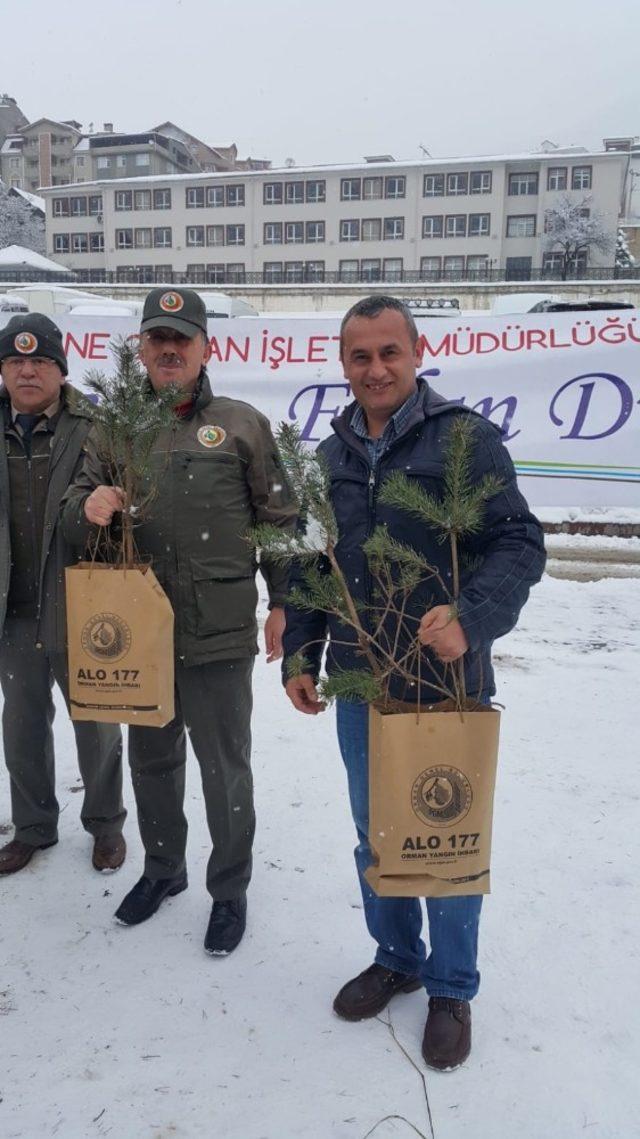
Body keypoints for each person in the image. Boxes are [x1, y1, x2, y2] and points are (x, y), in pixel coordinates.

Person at [283, 295, 546, 1070]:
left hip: (445, 682)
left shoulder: (463, 439)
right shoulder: (327, 459)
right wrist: (303, 652)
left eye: (388, 352)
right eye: (359, 356)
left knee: (446, 837)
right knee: (377, 831)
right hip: (361, 683)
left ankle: (451, 987)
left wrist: (472, 615)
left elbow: (520, 543)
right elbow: (306, 564)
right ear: (343, 363)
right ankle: (395, 956)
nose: (375, 369)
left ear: (416, 351)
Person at [61, 287, 297, 954]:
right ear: (140, 349)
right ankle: (163, 869)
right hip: (140, 631)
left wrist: (282, 601)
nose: (169, 348)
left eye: (182, 338)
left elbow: (280, 522)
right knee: (153, 758)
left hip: (218, 626)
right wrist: (91, 502)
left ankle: (229, 889)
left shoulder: (243, 423)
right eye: (157, 337)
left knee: (226, 766)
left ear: (205, 347)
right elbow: (74, 506)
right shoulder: (112, 432)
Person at [0, 314, 126, 876]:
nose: (27, 371)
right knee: (22, 723)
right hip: (12, 609)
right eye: (15, 361)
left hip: (79, 604)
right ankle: (31, 827)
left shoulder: (94, 427)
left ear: (61, 369)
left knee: (96, 722)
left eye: (40, 360)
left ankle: (106, 826)